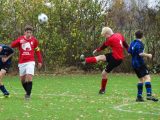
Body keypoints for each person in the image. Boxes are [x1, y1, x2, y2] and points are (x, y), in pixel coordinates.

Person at [80, 27, 128, 94]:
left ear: (107, 33)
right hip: (115, 56)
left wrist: (97, 50)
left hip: (116, 59)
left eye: (105, 35)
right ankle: (85, 61)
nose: (105, 37)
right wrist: (129, 50)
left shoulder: (111, 39)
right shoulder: (119, 35)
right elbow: (125, 44)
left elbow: (104, 46)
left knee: (104, 73)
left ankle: (102, 90)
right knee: (100, 57)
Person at [11, 25, 42, 99]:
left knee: (29, 76)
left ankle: (27, 95)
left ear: (32, 33)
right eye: (27, 32)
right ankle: (28, 92)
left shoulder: (34, 40)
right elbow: (12, 45)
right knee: (22, 80)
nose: (29, 34)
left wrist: (40, 61)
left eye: (30, 32)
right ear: (25, 32)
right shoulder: (20, 39)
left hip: (30, 61)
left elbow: (37, 51)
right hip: (21, 62)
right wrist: (19, 41)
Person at [128, 30, 158, 102]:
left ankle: (139, 96)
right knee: (148, 78)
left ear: (135, 36)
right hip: (140, 63)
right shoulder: (140, 44)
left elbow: (129, 53)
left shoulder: (132, 43)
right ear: (142, 36)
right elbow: (140, 54)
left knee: (141, 79)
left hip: (134, 63)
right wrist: (148, 55)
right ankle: (149, 95)